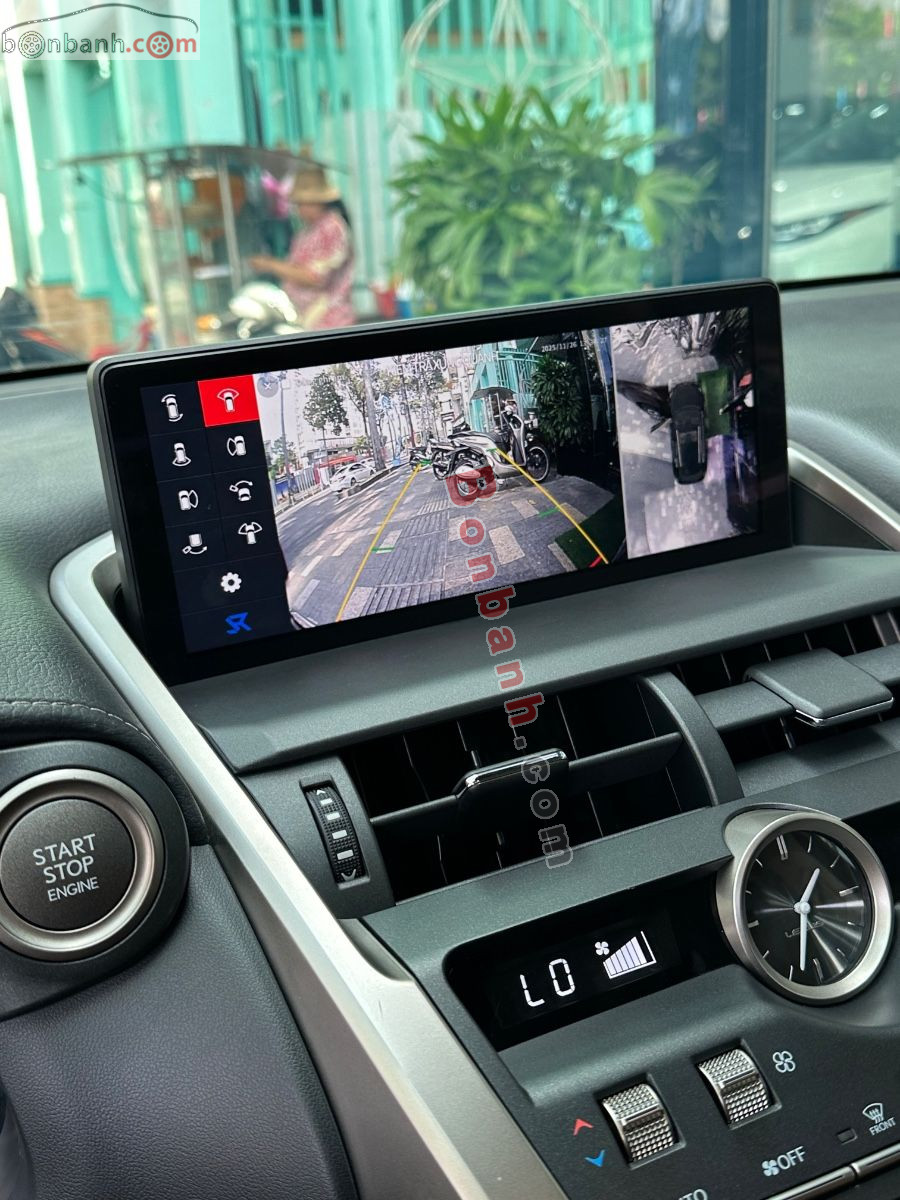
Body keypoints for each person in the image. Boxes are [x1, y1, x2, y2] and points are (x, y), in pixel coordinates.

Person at [248, 164, 354, 330]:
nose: (298, 209)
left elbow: (314, 278)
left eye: (302, 203)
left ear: (317, 202)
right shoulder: (306, 231)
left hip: (328, 320)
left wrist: (270, 264)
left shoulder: (332, 228)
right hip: (306, 319)